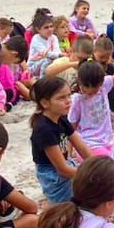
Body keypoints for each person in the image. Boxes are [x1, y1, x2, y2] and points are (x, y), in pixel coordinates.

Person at [30, 74, 92, 203]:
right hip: (52, 174)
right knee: (74, 205)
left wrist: (97, 164)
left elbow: (80, 145)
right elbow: (62, 169)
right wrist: (91, 175)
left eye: (69, 95)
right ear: (45, 103)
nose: (68, 100)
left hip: (64, 163)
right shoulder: (44, 129)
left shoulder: (60, 117)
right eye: (61, 98)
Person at [26, 11, 63, 78]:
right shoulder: (36, 39)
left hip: (49, 62)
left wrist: (61, 56)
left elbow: (57, 51)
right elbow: (46, 53)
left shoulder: (53, 37)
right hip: (33, 66)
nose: (50, 29)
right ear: (38, 29)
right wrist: (59, 55)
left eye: (51, 26)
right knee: (46, 60)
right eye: (46, 27)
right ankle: (42, 80)